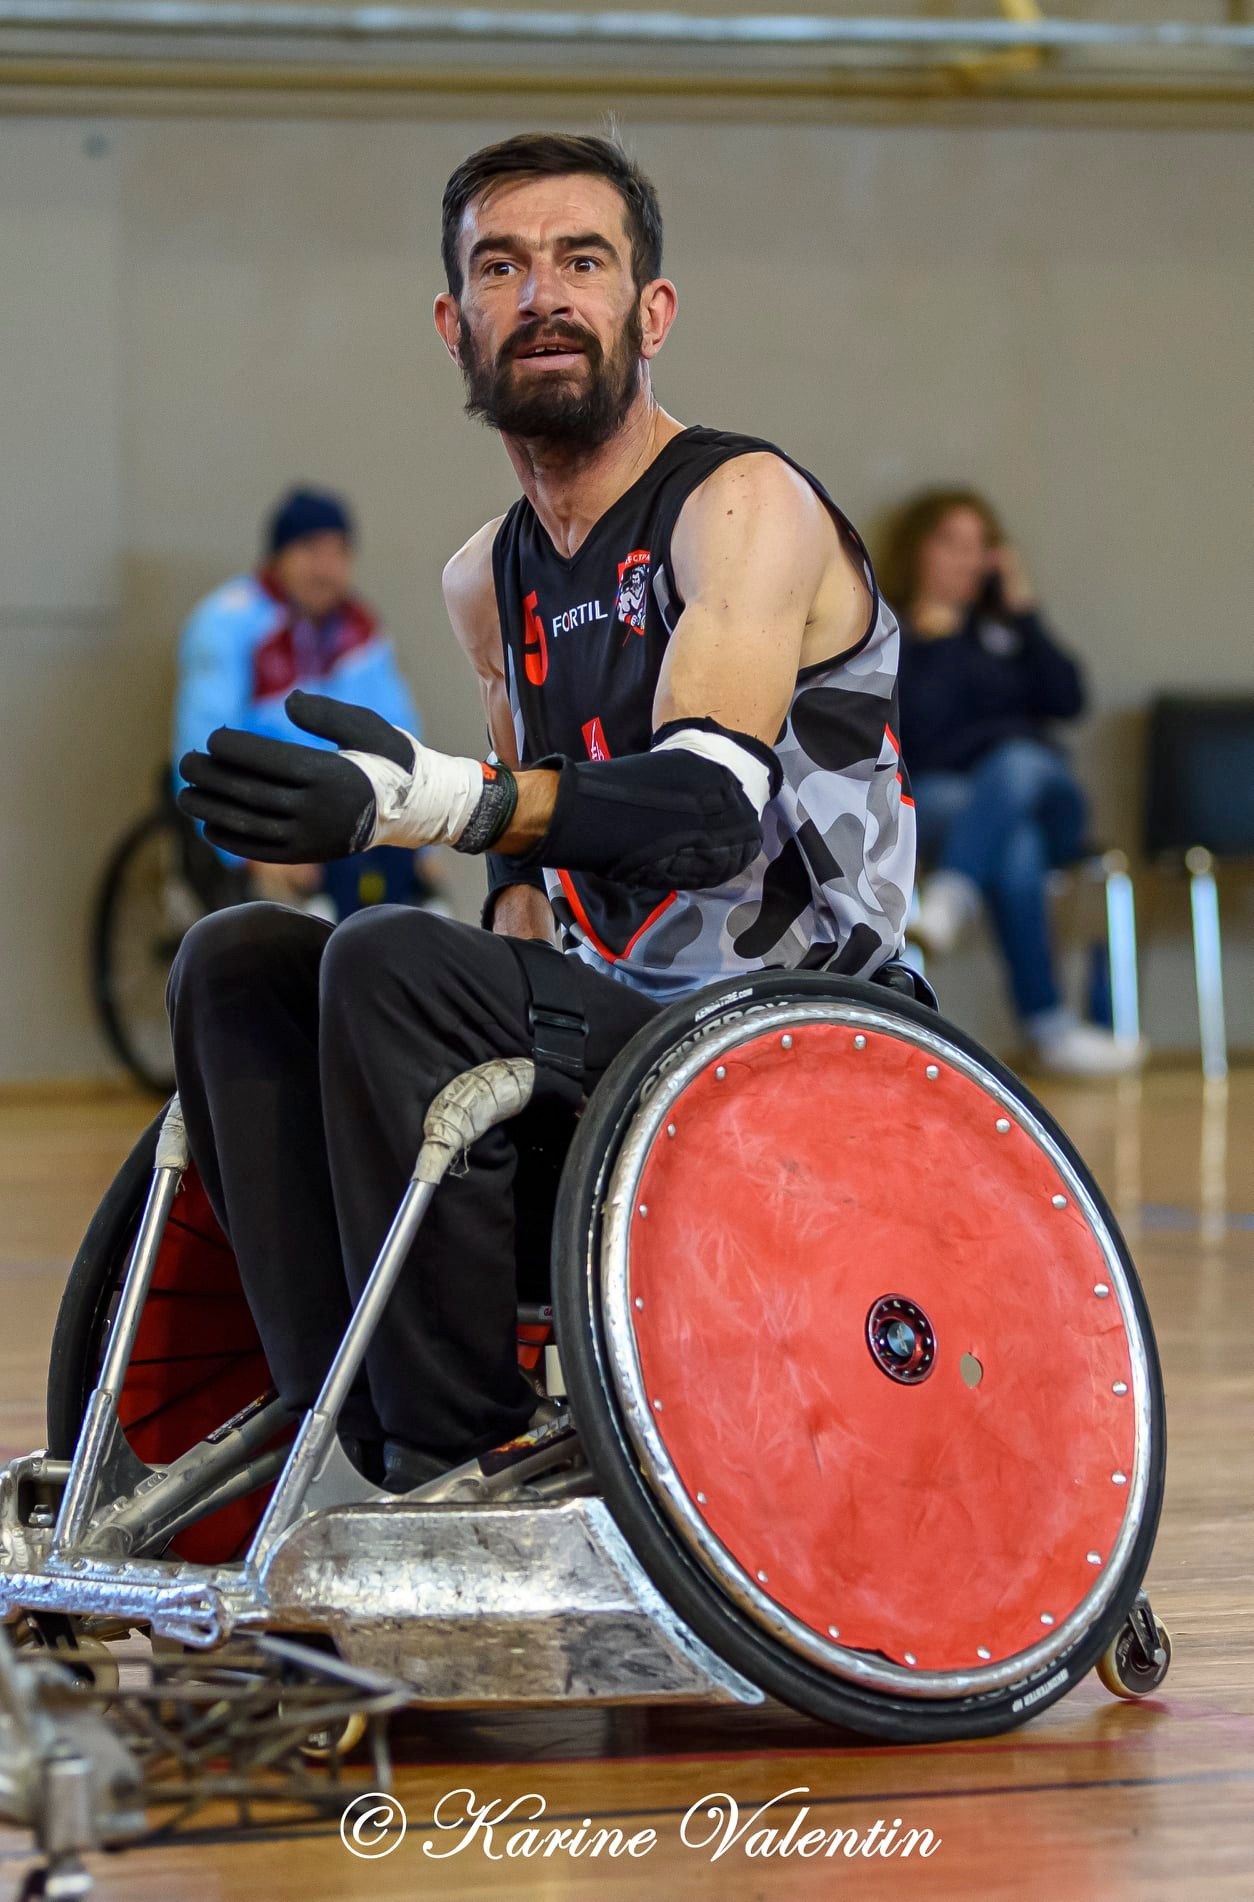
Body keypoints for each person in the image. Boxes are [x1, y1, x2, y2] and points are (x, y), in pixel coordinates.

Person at [171, 132, 916, 1492]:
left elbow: (702, 811)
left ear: (652, 309)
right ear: (456, 325)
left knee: (389, 959)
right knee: (240, 960)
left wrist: (419, 800)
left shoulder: (740, 503)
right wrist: (478, 867)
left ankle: (456, 1453)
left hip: (800, 1041)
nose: (544, 296)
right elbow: (526, 879)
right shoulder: (484, 578)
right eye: (502, 268)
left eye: (584, 261)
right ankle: (329, 1426)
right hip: (625, 1052)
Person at [882, 487, 1143, 1077]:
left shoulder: (1008, 628)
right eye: (953, 543)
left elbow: (1068, 699)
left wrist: (1023, 609)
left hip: (1048, 795)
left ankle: (953, 891)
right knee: (1013, 845)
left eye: (981, 546)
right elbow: (914, 728)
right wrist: (939, 640)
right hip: (954, 798)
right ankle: (1050, 1027)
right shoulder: (895, 636)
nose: (968, 559)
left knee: (1018, 762)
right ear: (918, 550)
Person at [172, 485, 430, 916]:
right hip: (264, 810)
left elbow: (399, 732)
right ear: (278, 556)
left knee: (416, 898)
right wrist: (246, 851)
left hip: (340, 811)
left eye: (339, 553)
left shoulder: (360, 630)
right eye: (311, 550)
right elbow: (200, 745)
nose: (327, 569)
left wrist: (425, 834)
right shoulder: (227, 623)